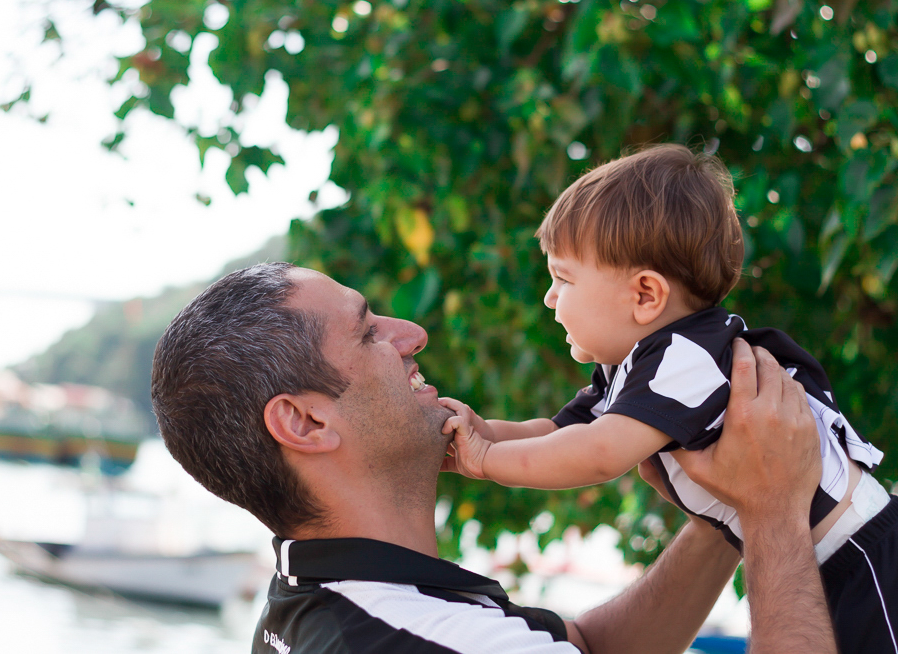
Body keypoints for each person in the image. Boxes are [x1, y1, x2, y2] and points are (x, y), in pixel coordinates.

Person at [151, 262, 836, 653]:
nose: (412, 333)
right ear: (304, 421)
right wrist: (774, 514)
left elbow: (586, 649)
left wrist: (724, 515)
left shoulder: (315, 601)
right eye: (368, 333)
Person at [441, 144, 896, 654]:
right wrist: (480, 433)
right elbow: (557, 432)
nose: (549, 297)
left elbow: (597, 454)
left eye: (563, 278)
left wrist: (486, 460)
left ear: (645, 296)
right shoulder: (640, 363)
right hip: (821, 561)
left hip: (865, 557)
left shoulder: (686, 358)